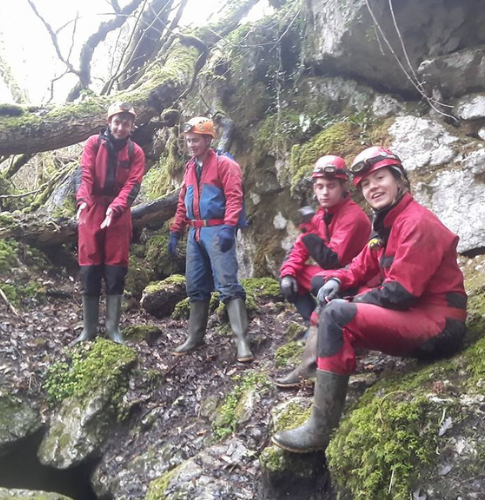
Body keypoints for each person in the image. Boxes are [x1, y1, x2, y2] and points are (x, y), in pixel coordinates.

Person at [272, 146, 467, 453]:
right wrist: (338, 279)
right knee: (331, 295)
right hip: (417, 315)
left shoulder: (416, 222)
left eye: (380, 177)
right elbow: (361, 264)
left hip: (440, 325)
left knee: (337, 314)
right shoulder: (388, 222)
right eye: (365, 183)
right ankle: (318, 367)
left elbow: (400, 293)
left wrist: (356, 299)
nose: (373, 187)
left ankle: (320, 429)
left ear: (398, 180)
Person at [274, 155, 371, 388]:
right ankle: (312, 325)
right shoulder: (321, 214)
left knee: (319, 281)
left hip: (358, 280)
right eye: (320, 187)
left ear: (343, 187)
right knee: (292, 276)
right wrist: (287, 273)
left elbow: (333, 260)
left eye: (331, 186)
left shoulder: (352, 216)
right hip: (338, 276)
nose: (325, 192)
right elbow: (300, 249)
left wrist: (308, 233)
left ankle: (323, 350)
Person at [167, 116, 253, 363]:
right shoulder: (190, 168)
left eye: (196, 140)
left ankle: (242, 341)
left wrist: (229, 228)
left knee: (227, 283)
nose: (191, 145)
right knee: (195, 286)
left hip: (217, 230)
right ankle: (195, 337)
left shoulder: (225, 165)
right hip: (195, 233)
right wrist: (175, 231)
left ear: (207, 139)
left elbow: (235, 197)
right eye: (188, 141)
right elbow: (184, 201)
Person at [72, 102, 145, 345]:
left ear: (132, 126)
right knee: (89, 267)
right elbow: (85, 174)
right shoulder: (94, 143)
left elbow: (132, 185)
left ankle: (113, 328)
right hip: (92, 208)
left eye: (126, 123)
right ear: (109, 122)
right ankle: (89, 329)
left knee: (116, 269)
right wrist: (82, 200)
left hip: (119, 213)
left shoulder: (136, 152)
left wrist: (115, 208)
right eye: (117, 121)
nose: (121, 127)